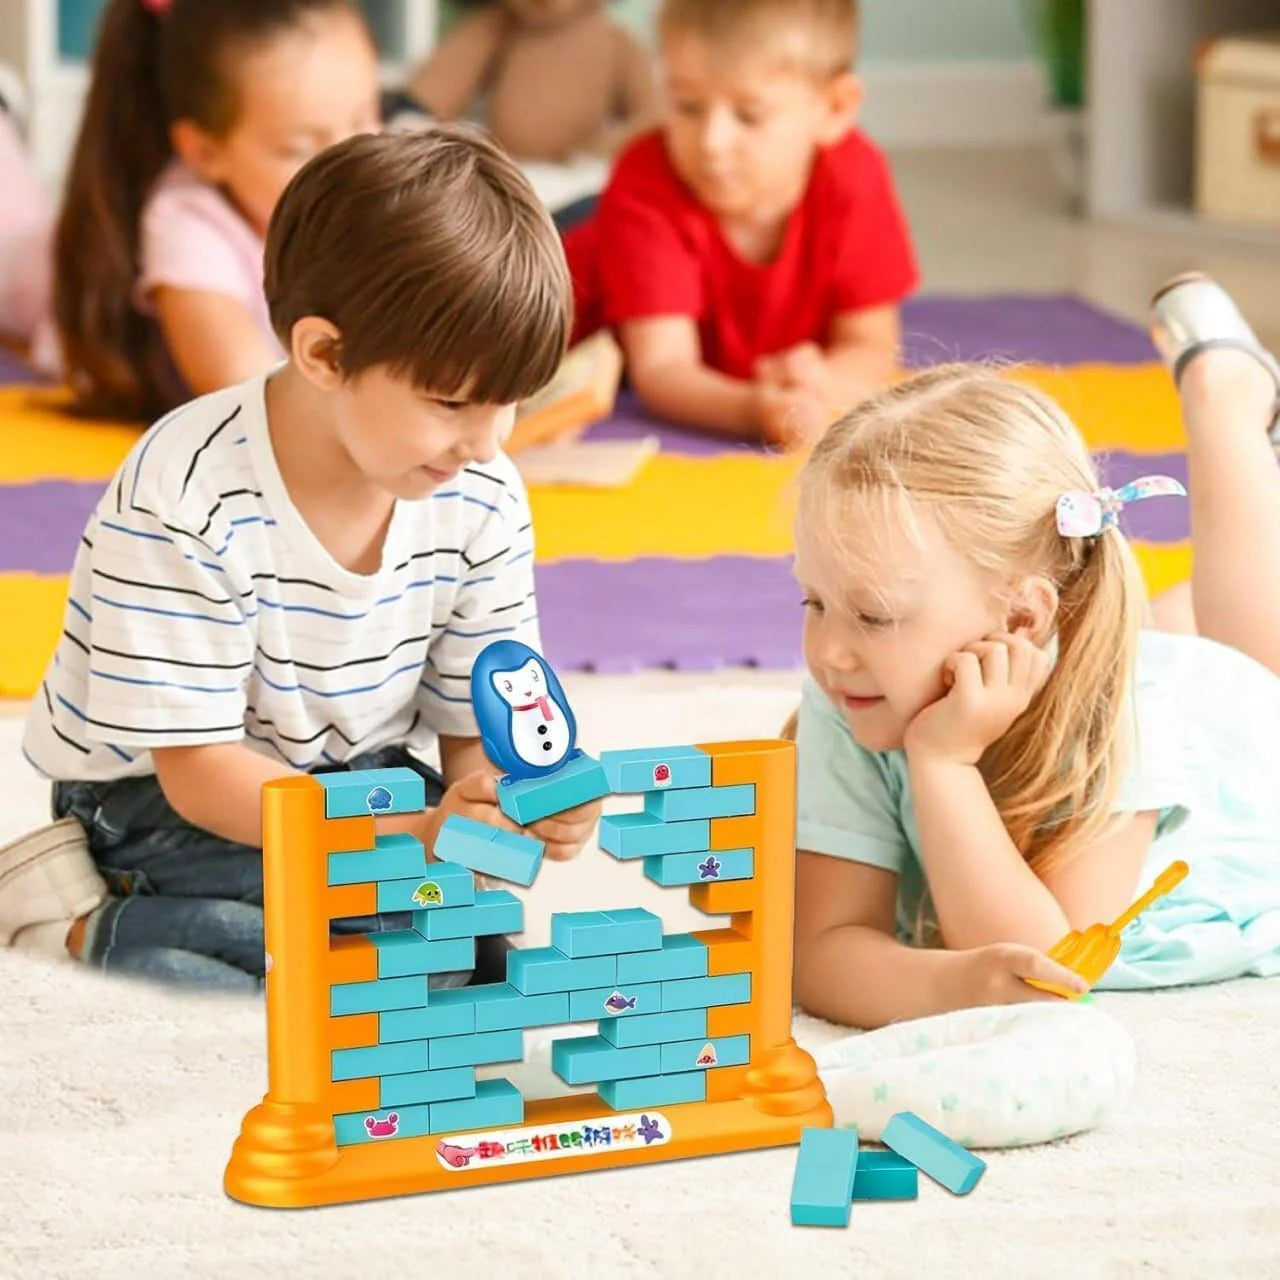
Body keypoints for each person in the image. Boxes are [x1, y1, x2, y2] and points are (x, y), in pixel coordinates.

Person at [0, 128, 599, 989]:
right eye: (451, 402)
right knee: (313, 944)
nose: (487, 442)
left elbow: (476, 721)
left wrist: (506, 805)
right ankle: (78, 926)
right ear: (324, 354)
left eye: (512, 403)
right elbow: (199, 775)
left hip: (360, 778)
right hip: (156, 797)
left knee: (470, 943)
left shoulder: (482, 492)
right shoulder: (185, 495)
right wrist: (411, 839)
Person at [790, 274, 1280, 1029]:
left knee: (1248, 649)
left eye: (874, 616)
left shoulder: (1120, 714)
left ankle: (1226, 397)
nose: (829, 651)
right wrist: (954, 986)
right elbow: (821, 952)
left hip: (1244, 740)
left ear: (1020, 617)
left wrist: (943, 765)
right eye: (814, 602)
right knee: (1189, 627)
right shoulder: (852, 694)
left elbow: (1048, 961)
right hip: (1120, 661)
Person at [563, 0, 918, 448]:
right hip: (579, 256)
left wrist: (818, 386)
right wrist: (757, 411)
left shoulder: (855, 176)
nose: (712, 142)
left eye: (749, 116)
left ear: (834, 108)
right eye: (688, 106)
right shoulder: (642, 185)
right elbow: (663, 368)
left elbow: (872, 343)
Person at [51, 0, 381, 418]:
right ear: (205, 152)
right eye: (299, 148)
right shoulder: (187, 227)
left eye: (365, 120)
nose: (350, 162)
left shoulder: (378, 199)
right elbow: (252, 400)